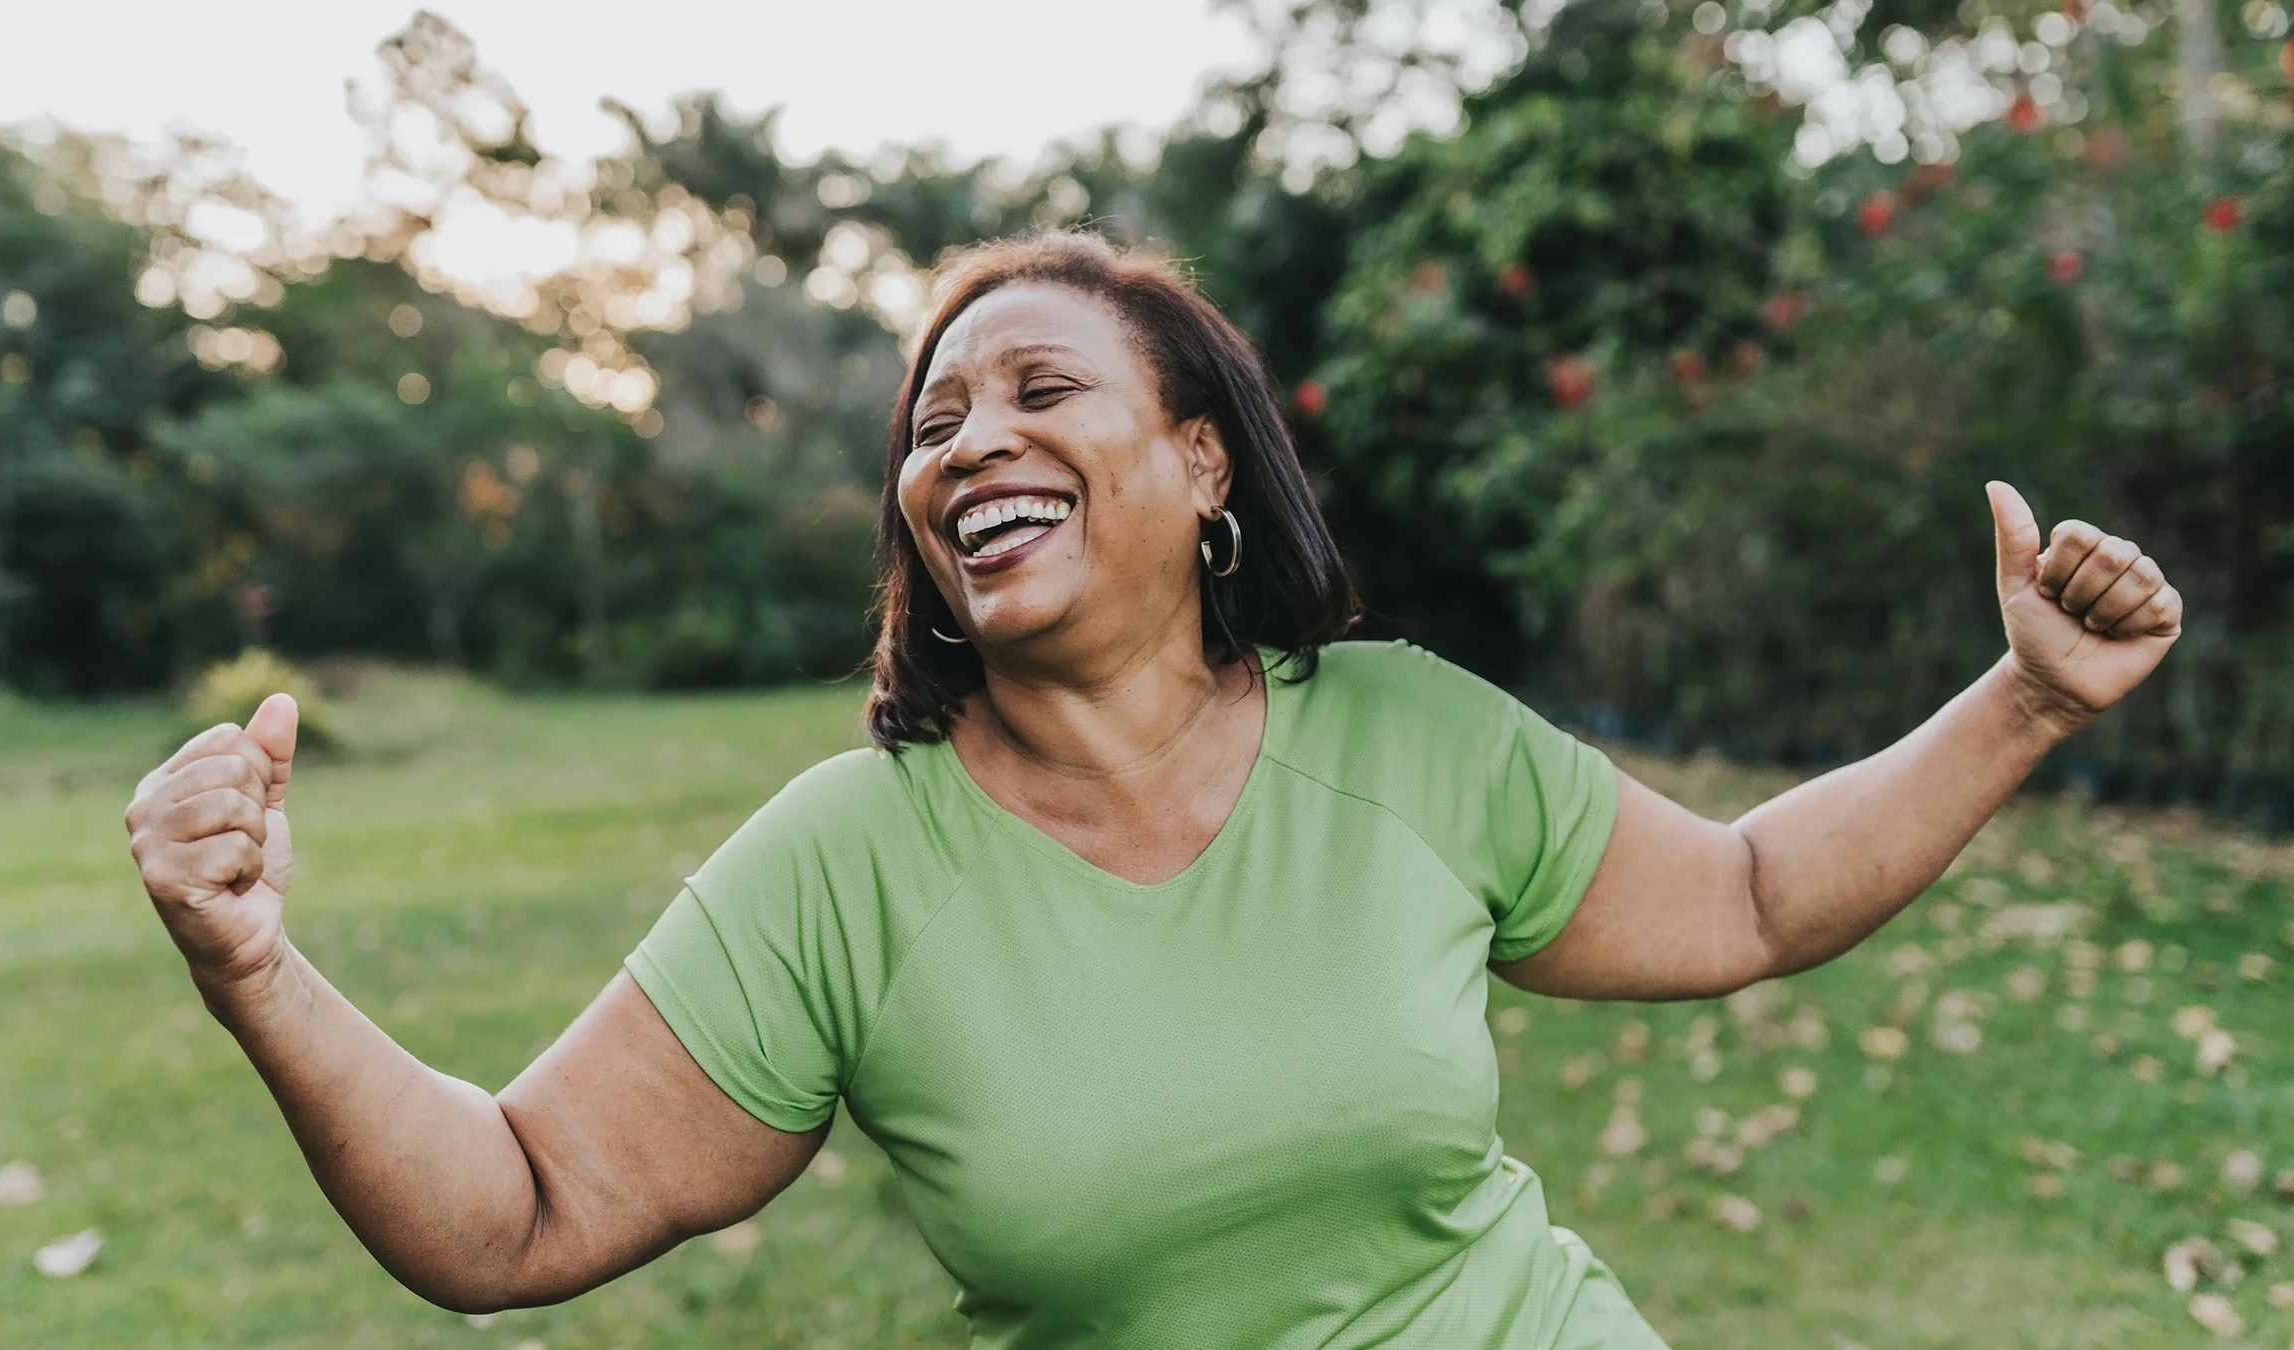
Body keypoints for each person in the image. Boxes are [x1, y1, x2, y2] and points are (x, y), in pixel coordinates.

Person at [124, 232, 2183, 1349]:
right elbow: (522, 1213)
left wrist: (2022, 700)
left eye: (1037, 390)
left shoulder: (1397, 736)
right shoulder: (848, 861)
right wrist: (256, 973)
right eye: (933, 421)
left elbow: (1738, 898)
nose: (961, 442)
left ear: (1203, 461)